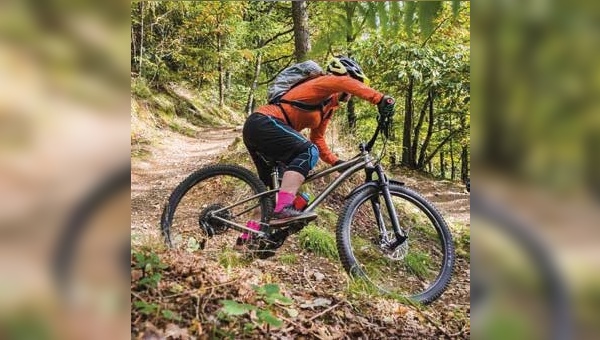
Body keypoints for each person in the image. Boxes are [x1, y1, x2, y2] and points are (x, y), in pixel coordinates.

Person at [242, 56, 395, 229]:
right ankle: (284, 209)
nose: (351, 93)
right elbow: (344, 83)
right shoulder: (322, 82)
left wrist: (335, 161)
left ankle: (250, 238)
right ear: (343, 76)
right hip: (263, 122)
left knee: (270, 194)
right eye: (353, 83)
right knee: (308, 152)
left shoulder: (326, 108)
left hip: (264, 132)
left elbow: (317, 139)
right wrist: (380, 98)